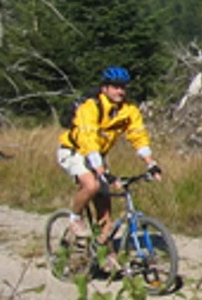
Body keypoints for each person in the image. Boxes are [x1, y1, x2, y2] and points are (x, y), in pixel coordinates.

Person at [56, 66, 163, 244]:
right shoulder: (90, 107)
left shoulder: (129, 110)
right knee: (91, 186)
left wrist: (151, 163)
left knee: (105, 210)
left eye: (123, 87)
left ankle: (106, 256)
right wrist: (101, 169)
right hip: (74, 151)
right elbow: (88, 139)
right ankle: (75, 218)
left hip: (97, 155)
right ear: (104, 88)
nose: (120, 91)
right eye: (115, 86)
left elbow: (138, 136)